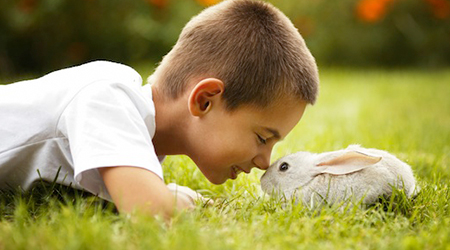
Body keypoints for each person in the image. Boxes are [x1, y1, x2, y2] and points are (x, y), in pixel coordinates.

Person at [0, 0, 319, 219]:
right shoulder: (107, 95)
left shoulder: (137, 140)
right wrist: (173, 199)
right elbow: (149, 211)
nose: (265, 162)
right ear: (204, 99)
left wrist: (167, 191)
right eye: (263, 138)